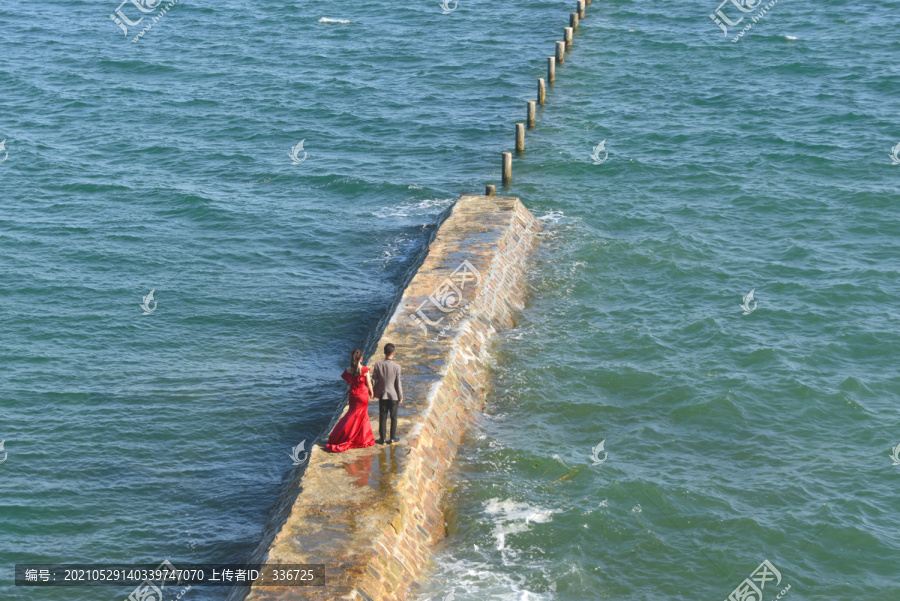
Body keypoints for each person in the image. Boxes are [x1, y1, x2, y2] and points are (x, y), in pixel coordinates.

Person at [324, 349, 376, 453]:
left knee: (351, 414)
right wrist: (371, 392)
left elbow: (347, 383)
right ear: (361, 358)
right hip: (363, 395)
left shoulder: (348, 370)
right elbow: (369, 383)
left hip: (353, 395)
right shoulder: (365, 370)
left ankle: (339, 434)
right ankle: (362, 438)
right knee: (362, 416)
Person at [371, 343, 404, 444]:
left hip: (383, 395)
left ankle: (382, 439)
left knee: (383, 417)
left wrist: (371, 391)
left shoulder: (378, 365)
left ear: (384, 352)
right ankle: (392, 438)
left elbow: (373, 380)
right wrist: (400, 395)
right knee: (393, 417)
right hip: (393, 396)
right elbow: (398, 383)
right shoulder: (397, 367)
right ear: (393, 353)